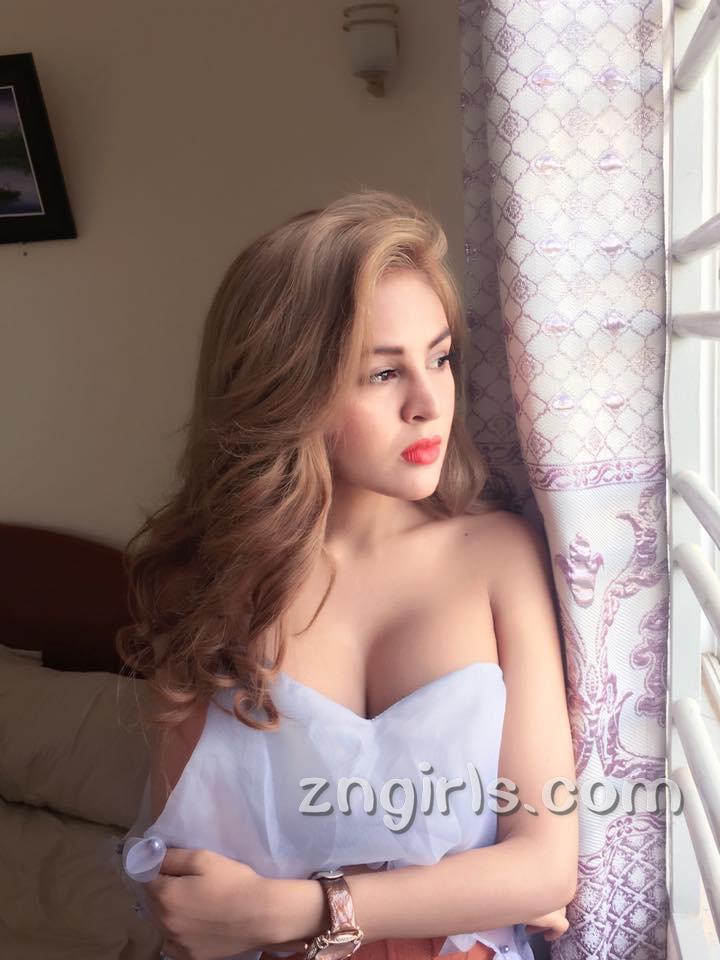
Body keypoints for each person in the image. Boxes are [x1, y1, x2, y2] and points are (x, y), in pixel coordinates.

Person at [116, 190, 579, 960]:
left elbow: (545, 865)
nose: (429, 404)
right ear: (288, 389)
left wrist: (295, 909)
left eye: (439, 358)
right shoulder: (204, 591)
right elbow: (188, 892)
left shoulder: (499, 556)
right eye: (381, 373)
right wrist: (474, 888)